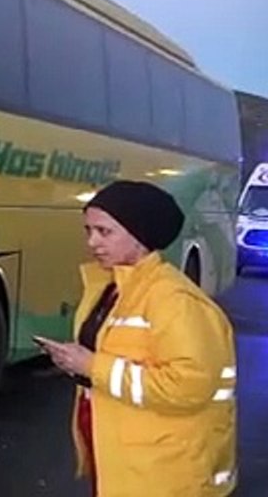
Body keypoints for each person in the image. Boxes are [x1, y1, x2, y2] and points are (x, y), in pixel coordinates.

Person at [35, 180, 238, 497]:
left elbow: (188, 387)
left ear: (140, 235)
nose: (93, 242)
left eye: (105, 232)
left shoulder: (175, 301)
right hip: (126, 460)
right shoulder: (111, 287)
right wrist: (75, 362)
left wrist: (92, 367)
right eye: (88, 230)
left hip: (162, 472)